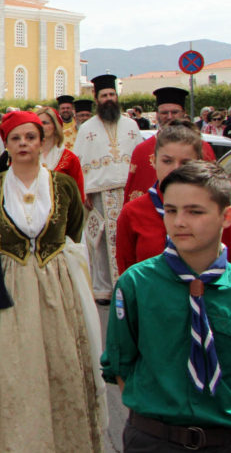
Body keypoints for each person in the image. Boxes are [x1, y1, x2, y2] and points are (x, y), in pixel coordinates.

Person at [0, 110, 105, 452]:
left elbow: (73, 231)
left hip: (56, 287)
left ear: (43, 142)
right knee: (7, 371)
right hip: (4, 287)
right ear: (5, 145)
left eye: (31, 137)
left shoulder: (63, 186)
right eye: (16, 139)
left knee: (60, 367)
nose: (24, 144)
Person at [102, 161, 231, 452]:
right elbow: (120, 365)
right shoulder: (136, 284)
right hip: (154, 439)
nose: (178, 222)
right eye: (171, 210)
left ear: (227, 216)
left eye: (195, 211)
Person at [117, 120, 231, 272]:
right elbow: (127, 272)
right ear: (153, 161)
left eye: (185, 162)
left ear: (198, 162)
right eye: (167, 161)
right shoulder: (133, 212)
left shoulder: (214, 207)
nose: (175, 169)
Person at [73, 74, 143, 304]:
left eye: (112, 94)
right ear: (96, 98)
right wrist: (85, 192)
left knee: (129, 239)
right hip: (99, 193)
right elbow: (79, 161)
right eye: (104, 95)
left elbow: (140, 158)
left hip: (128, 191)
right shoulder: (86, 129)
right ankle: (103, 289)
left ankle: (128, 285)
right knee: (100, 240)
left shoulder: (131, 125)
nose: (109, 99)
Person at [124, 87, 216, 203]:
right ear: (157, 115)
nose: (169, 117)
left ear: (184, 113)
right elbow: (133, 192)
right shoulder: (142, 150)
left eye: (174, 112)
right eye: (164, 113)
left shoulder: (203, 148)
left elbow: (213, 189)